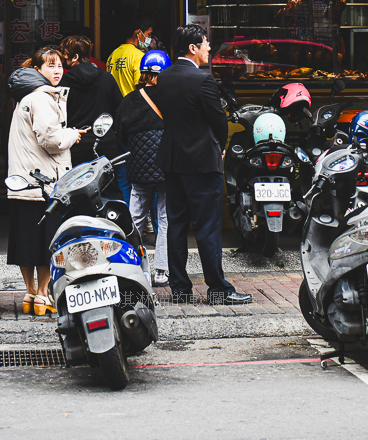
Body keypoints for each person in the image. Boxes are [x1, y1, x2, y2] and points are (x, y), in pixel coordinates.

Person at [153, 25, 252, 305]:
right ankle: (218, 290)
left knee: (176, 225)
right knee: (208, 227)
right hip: (201, 162)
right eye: (206, 43)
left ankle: (180, 289)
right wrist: (220, 146)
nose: (209, 48)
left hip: (173, 161)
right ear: (193, 48)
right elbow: (219, 121)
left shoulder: (164, 78)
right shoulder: (202, 80)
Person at [7, 47, 87, 317]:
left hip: (23, 183)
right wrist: (72, 134)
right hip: (43, 184)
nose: (57, 70)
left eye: (60, 65)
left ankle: (30, 293)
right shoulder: (42, 98)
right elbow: (51, 141)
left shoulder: (24, 97)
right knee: (45, 244)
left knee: (26, 242)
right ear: (38, 70)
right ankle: (42, 294)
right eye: (51, 65)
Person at [114, 49, 171, 287]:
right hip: (167, 167)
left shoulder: (129, 101)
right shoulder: (172, 98)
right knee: (166, 218)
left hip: (139, 169)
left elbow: (120, 135)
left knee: (135, 217)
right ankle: (161, 271)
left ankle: (129, 265)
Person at [58, 35, 122, 168]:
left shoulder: (63, 84)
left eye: (65, 54)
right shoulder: (107, 78)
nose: (63, 57)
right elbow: (119, 111)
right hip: (106, 144)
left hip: (76, 144)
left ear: (75, 57)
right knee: (108, 187)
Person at [106, 14, 154, 96]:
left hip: (115, 107)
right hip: (131, 106)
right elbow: (141, 88)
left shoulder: (112, 55)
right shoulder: (139, 56)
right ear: (138, 33)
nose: (150, 38)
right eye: (148, 34)